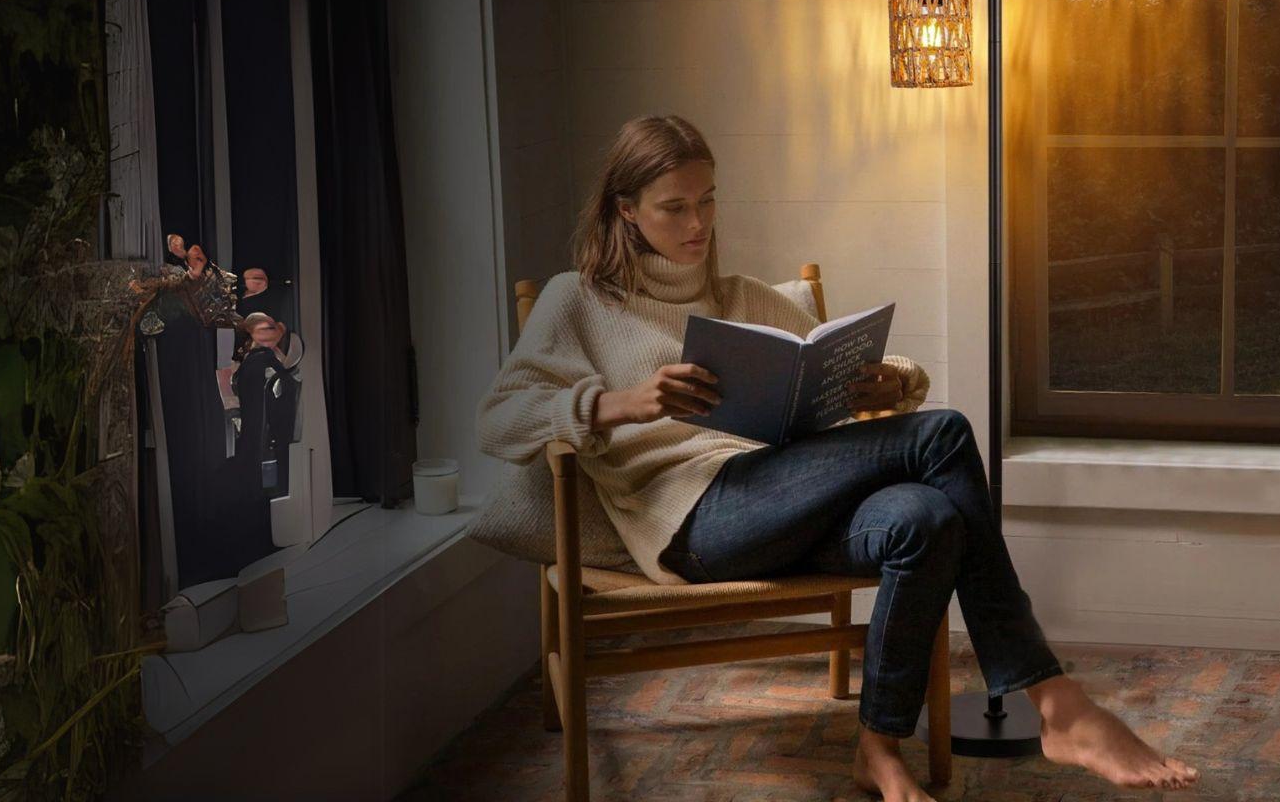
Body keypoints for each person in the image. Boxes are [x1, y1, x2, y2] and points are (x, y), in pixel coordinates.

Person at [477, 115, 1197, 801]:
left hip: (786, 503)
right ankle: (1059, 703)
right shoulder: (579, 301)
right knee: (943, 433)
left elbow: (844, 361)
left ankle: (878, 747)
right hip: (697, 525)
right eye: (674, 207)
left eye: (708, 200)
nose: (698, 223)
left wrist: (888, 382)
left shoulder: (742, 298)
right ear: (626, 210)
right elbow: (498, 420)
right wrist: (622, 403)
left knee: (927, 519)